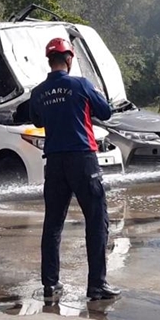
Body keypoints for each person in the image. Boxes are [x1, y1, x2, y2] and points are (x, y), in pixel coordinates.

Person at [30, 37, 120, 303]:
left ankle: (50, 285)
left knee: (53, 224)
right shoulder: (81, 84)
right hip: (82, 160)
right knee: (96, 220)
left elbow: (35, 120)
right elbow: (106, 112)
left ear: (49, 60)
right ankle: (96, 287)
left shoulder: (38, 92)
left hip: (55, 163)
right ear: (69, 59)